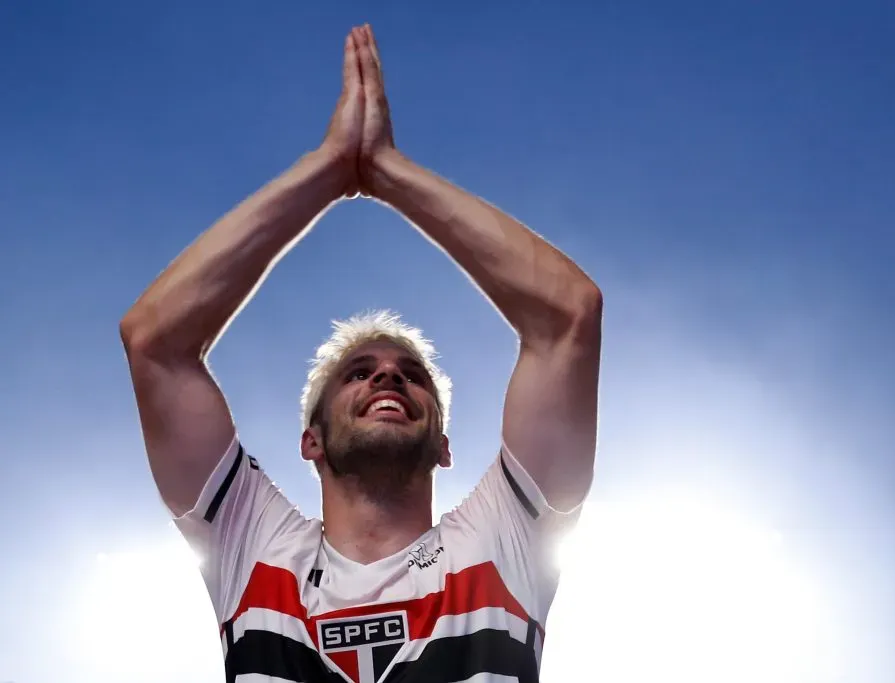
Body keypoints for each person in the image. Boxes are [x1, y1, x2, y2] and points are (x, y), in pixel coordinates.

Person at [120, 23, 602, 683]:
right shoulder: (256, 547)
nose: (389, 376)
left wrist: (386, 172)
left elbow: (569, 317)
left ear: (444, 445)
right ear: (310, 440)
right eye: (360, 371)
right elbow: (154, 341)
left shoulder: (506, 538)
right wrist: (329, 167)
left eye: (413, 377)